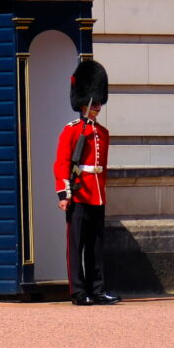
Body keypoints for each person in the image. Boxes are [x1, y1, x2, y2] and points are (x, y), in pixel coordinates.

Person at [53, 59, 121, 307]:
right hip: (79, 193)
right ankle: (79, 291)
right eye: (95, 101)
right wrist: (64, 193)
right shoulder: (72, 131)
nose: (98, 106)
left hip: (97, 194)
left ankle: (98, 289)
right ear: (84, 102)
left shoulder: (102, 132)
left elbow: (100, 168)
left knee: (95, 246)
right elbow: (61, 164)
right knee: (76, 246)